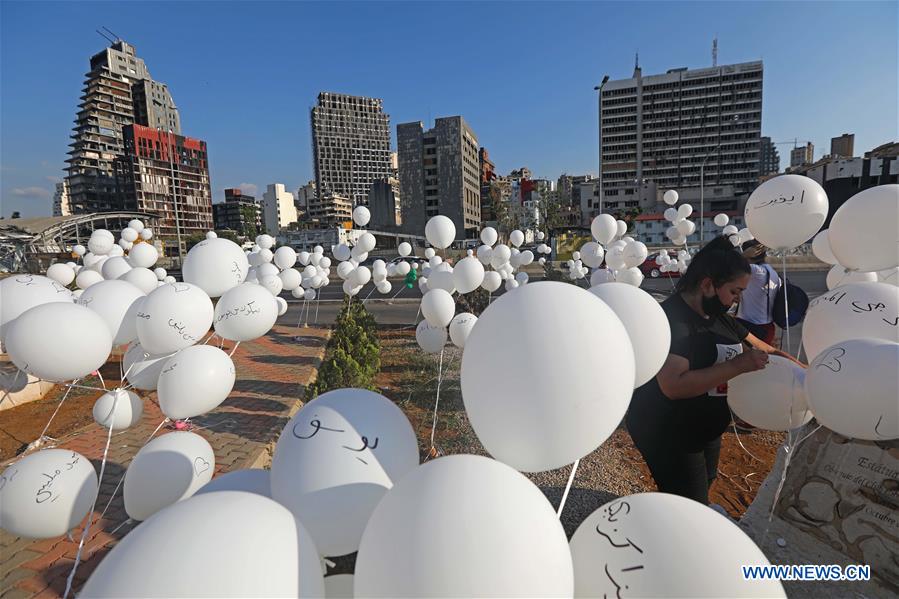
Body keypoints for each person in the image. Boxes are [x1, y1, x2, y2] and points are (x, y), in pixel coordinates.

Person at [625, 236, 804, 505]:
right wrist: (737, 365)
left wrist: (807, 372)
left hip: (704, 429)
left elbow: (763, 348)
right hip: (667, 431)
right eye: (735, 292)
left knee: (706, 480)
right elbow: (674, 385)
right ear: (708, 285)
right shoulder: (674, 320)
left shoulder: (719, 316)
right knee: (689, 502)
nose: (737, 300)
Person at [735, 239, 781, 346]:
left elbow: (729, 266)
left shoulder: (754, 270)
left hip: (751, 327)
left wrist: (743, 255)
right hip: (768, 327)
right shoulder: (772, 272)